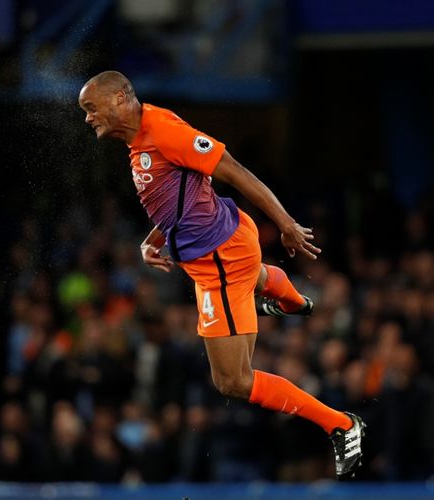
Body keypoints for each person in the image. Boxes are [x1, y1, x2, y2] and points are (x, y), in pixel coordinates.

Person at [78, 70, 365, 479]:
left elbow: (231, 169)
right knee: (253, 285)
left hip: (221, 264)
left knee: (232, 381)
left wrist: (284, 222)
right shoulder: (142, 137)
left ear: (122, 98)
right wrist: (153, 238)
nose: (88, 118)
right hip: (226, 246)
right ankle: (294, 302)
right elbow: (187, 189)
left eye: (91, 107)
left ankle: (340, 424)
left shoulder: (163, 132)